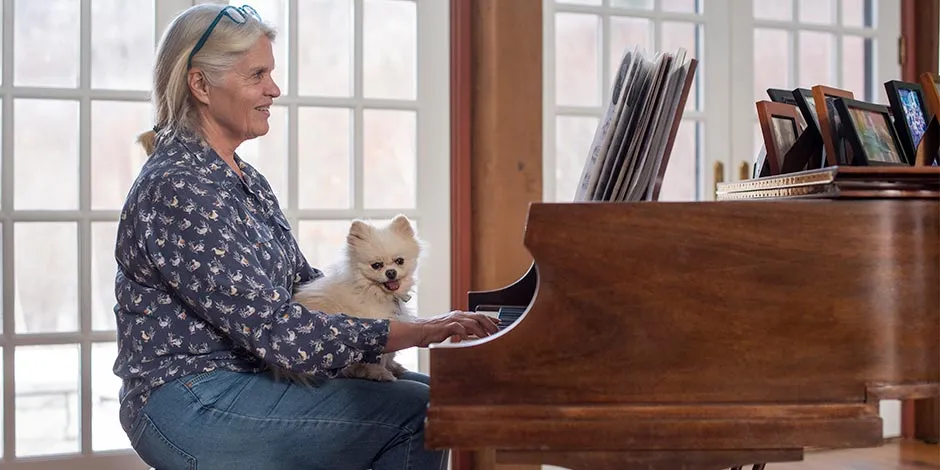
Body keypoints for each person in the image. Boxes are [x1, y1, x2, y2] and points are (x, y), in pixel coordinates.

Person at [112, 4, 498, 469]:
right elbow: (277, 330)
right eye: (258, 75)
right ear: (200, 85)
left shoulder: (244, 179)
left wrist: (387, 308)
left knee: (430, 395)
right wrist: (413, 331)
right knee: (416, 414)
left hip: (248, 378)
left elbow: (302, 287)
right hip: (191, 398)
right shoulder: (179, 186)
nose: (274, 89)